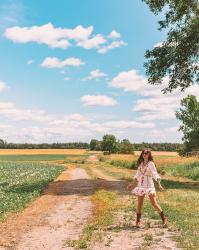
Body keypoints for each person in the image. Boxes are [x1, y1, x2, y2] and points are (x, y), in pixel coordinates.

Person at [127, 149, 167, 228]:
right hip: (141, 186)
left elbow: (155, 174)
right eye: (143, 153)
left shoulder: (151, 164)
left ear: (149, 155)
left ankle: (164, 220)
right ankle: (138, 222)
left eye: (146, 153)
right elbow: (137, 175)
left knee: (154, 203)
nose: (144, 154)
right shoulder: (141, 164)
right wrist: (131, 184)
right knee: (139, 204)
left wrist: (159, 185)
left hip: (149, 186)